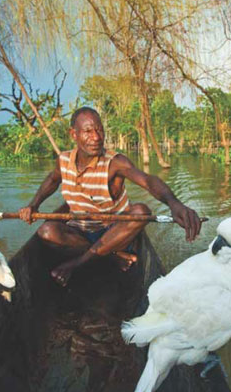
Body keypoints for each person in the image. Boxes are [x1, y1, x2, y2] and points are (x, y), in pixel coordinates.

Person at [19, 106, 201, 286]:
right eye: (88, 131)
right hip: (80, 232)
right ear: (73, 134)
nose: (96, 137)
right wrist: (33, 205)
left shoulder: (115, 162)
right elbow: (52, 180)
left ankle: (79, 262)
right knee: (46, 231)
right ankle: (112, 257)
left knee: (140, 211)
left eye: (99, 130)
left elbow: (148, 181)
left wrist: (174, 203)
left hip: (114, 233)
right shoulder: (64, 161)